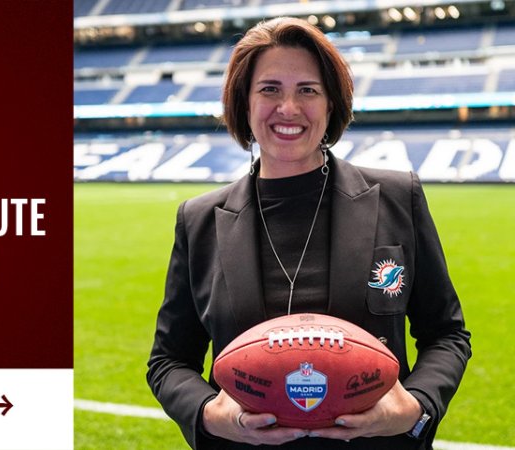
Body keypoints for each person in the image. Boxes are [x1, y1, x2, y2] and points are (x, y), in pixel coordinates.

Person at [146, 17, 471, 450]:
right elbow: (168, 361)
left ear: (332, 103)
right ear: (243, 103)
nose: (288, 108)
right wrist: (210, 415)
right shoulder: (200, 219)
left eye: (308, 90)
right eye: (269, 89)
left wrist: (413, 406)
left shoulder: (398, 196)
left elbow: (446, 335)